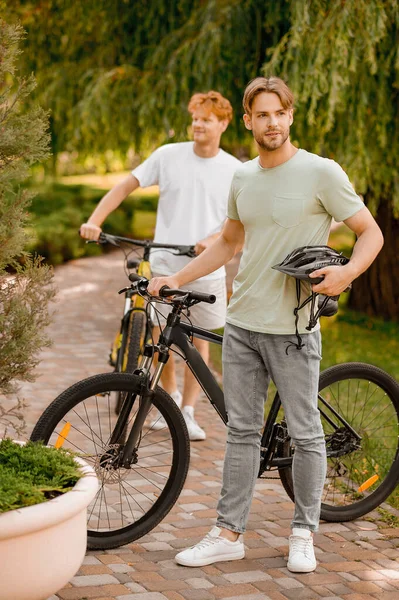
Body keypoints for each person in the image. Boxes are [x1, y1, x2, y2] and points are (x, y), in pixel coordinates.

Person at [148, 76, 384, 572]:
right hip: (243, 323)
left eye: (280, 113)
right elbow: (228, 243)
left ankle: (303, 532)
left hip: (294, 329)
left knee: (305, 433)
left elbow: (370, 233)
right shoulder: (244, 178)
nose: (272, 122)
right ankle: (228, 532)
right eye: (262, 114)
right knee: (241, 433)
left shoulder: (321, 172)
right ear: (249, 120)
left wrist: (346, 273)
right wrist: (176, 278)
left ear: (290, 116)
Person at [80, 91, 242, 441]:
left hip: (207, 266)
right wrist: (95, 220)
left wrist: (214, 239)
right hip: (166, 263)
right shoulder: (168, 156)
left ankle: (189, 412)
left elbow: (242, 222)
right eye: (195, 117)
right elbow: (125, 185)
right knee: (161, 337)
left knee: (198, 343)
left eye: (207, 119)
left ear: (223, 123)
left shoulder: (235, 170)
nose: (198, 124)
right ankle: (166, 403)